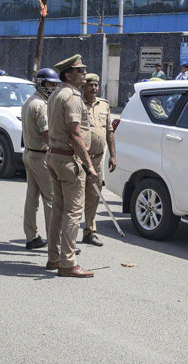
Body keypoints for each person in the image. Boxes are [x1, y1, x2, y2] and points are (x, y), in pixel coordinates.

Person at [44, 54, 97, 278]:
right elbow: (75, 134)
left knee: (58, 209)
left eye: (84, 69)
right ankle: (68, 262)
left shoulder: (56, 94)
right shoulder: (73, 97)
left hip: (55, 156)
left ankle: (54, 257)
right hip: (68, 159)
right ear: (68, 74)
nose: (84, 73)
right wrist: (90, 166)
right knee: (73, 212)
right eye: (80, 70)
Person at [21, 67, 59, 250]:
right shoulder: (41, 105)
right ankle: (56, 241)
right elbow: (46, 135)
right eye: (51, 84)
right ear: (42, 84)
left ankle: (31, 236)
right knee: (51, 199)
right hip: (41, 155)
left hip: (30, 153)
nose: (54, 87)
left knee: (32, 198)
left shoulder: (30, 101)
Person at [80, 73, 117, 247]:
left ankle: (89, 231)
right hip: (80, 160)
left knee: (94, 196)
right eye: (90, 85)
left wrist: (113, 155)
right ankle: (69, 235)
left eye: (96, 85)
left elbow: (109, 132)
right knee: (76, 197)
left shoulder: (104, 105)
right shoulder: (77, 104)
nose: (94, 88)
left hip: (98, 158)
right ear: (83, 86)